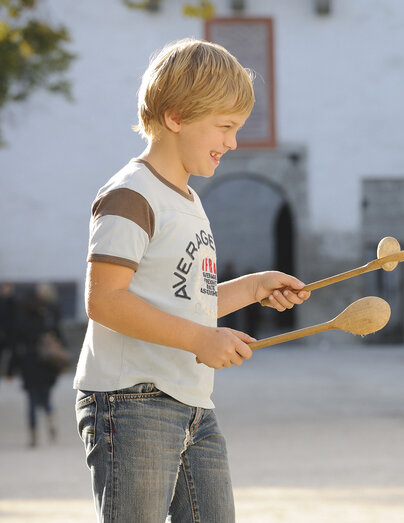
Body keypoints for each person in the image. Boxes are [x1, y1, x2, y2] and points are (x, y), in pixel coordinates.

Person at [73, 38, 310, 522]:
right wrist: (201, 338)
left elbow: (183, 300)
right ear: (176, 116)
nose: (233, 142)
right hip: (130, 401)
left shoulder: (189, 201)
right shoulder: (130, 195)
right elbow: (105, 302)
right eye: (225, 127)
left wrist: (252, 287)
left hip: (192, 402)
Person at [19, 283, 67, 447]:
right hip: (46, 363)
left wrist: (12, 368)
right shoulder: (49, 317)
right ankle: (50, 419)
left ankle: (33, 436)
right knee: (46, 399)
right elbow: (60, 337)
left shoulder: (23, 318)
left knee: (31, 401)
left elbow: (16, 343)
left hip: (30, 363)